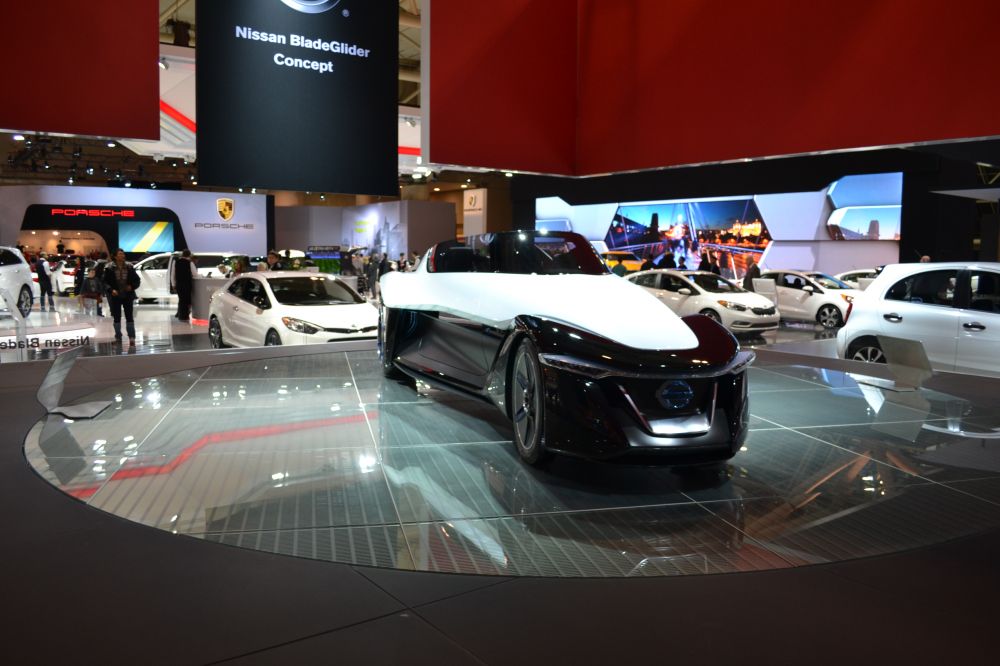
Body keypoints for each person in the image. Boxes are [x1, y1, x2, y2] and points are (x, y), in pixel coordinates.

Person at [103, 248, 141, 345]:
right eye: (120, 254)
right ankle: (118, 337)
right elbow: (104, 282)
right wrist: (111, 290)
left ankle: (131, 338)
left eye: (123, 254)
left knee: (129, 317)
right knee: (116, 318)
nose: (122, 255)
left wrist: (131, 286)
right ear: (115, 256)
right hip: (115, 296)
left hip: (127, 295)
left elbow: (137, 280)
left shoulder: (129, 266)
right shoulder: (109, 267)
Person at [171, 249, 197, 321]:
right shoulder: (190, 263)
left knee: (181, 300)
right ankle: (184, 316)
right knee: (186, 300)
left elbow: (173, 274)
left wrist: (173, 284)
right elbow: (195, 274)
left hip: (179, 284)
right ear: (189, 255)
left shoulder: (176, 262)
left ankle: (181, 315)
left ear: (182, 254)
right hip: (187, 284)